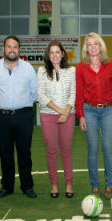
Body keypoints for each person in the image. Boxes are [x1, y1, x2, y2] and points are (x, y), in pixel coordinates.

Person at [0, 35, 38, 199]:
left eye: (15, 47)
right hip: (2, 118)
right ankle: (7, 186)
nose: (12, 50)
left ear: (19, 50)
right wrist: (3, 106)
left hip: (24, 116)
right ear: (3, 49)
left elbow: (33, 93)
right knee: (5, 154)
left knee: (24, 153)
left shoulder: (28, 68)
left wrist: (20, 106)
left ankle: (27, 186)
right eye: (9, 47)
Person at [75, 32, 112, 200]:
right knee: (92, 149)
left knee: (107, 148)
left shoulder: (110, 65)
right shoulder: (81, 67)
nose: (93, 47)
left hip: (108, 110)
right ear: (85, 48)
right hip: (89, 112)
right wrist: (81, 115)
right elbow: (79, 93)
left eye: (96, 43)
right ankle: (95, 185)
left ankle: (109, 185)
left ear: (101, 46)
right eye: (89, 44)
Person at [37, 41, 76, 198]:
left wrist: (66, 112)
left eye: (57, 52)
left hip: (68, 115)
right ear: (48, 55)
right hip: (48, 115)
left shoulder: (71, 70)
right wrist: (60, 111)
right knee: (51, 150)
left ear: (62, 54)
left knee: (66, 150)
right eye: (51, 52)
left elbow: (73, 93)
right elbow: (40, 95)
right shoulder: (41, 71)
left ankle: (68, 183)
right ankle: (54, 184)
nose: (54, 55)